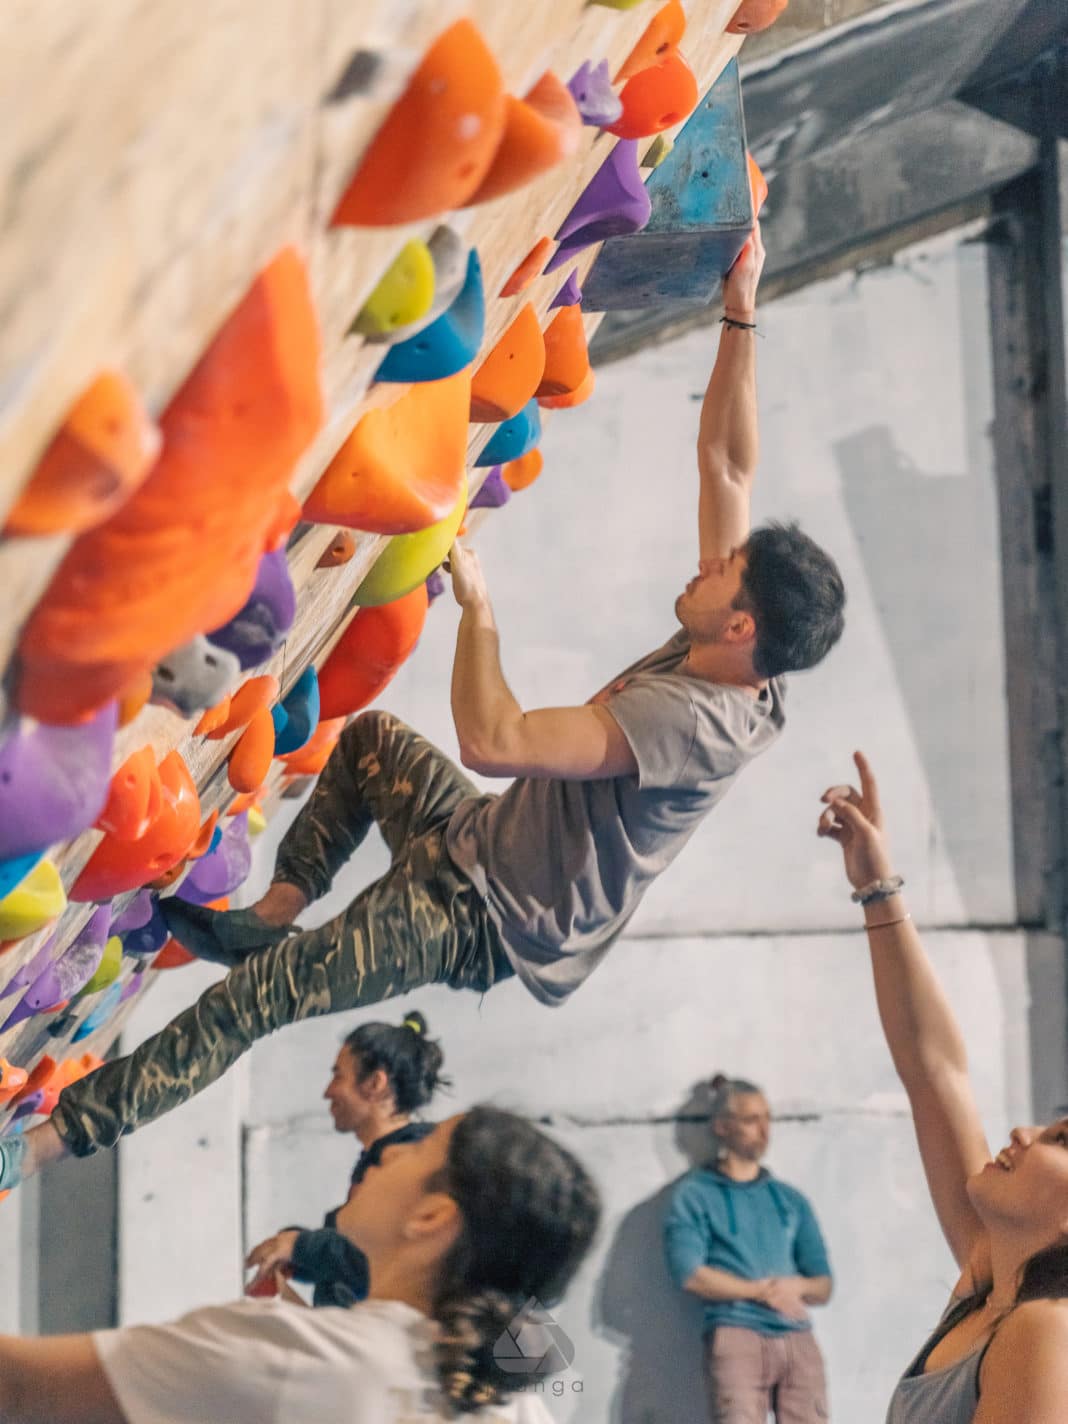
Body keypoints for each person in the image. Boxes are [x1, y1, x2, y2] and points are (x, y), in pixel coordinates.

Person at [2, 224, 846, 1191]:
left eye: (722, 574)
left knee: (258, 1001)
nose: (705, 566)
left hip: (480, 915)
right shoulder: (737, 648)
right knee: (368, 743)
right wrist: (742, 305)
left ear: (741, 629)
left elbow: (496, 740)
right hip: (481, 837)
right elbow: (729, 469)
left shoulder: (691, 724)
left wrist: (479, 614)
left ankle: (40, 1145)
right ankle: (278, 906)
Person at [0, 1106, 600, 1423]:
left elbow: (18, 1389)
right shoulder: (516, 1409)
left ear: (431, 1219)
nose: (385, 1159)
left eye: (416, 1148)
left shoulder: (308, 1360)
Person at [817, 751, 1068, 1422]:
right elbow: (935, 1075)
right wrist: (877, 888)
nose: (1025, 1131)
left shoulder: (1045, 1331)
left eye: (1060, 1141)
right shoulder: (992, 1279)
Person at [246, 1010, 445, 1306]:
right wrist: (299, 1258)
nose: (328, 1092)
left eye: (338, 1075)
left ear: (375, 1083)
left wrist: (300, 1246)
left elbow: (383, 1257)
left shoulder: (413, 1159)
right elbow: (355, 1266)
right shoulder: (380, 1159)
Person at [664, 1073, 833, 1423]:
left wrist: (794, 1288)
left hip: (797, 1336)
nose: (764, 1129)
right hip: (736, 1334)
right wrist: (760, 1291)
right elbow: (690, 1274)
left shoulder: (789, 1199)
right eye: (752, 1119)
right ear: (723, 1126)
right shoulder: (695, 1195)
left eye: (768, 1118)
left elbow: (823, 1284)